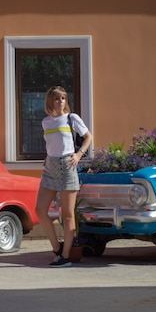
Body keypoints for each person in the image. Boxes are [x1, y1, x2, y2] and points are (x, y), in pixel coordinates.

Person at [35, 86, 92, 267]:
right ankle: (57, 249)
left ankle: (66, 256)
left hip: (68, 164)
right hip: (50, 166)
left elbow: (88, 137)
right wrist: (47, 157)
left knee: (67, 215)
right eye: (56, 99)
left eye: (63, 99)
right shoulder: (46, 122)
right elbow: (53, 143)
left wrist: (78, 155)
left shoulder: (71, 118)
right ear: (50, 102)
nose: (60, 102)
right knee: (40, 210)